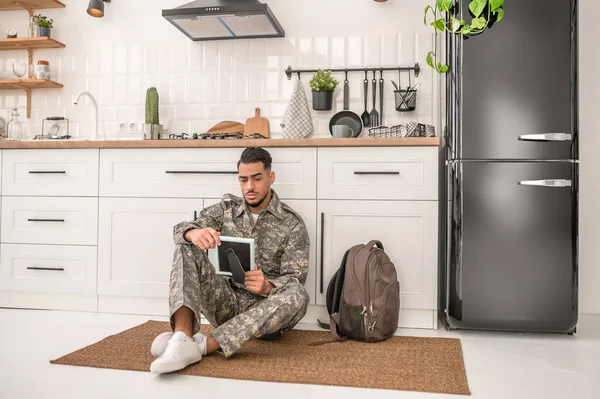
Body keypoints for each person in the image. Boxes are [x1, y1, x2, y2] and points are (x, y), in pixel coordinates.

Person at [150, 146, 311, 374]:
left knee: (299, 296)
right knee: (186, 246)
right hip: (226, 303)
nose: (250, 187)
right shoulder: (226, 210)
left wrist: (268, 287)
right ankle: (182, 336)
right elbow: (181, 229)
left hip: (265, 316)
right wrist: (193, 233)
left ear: (271, 177)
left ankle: (204, 346)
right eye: (243, 180)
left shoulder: (292, 224)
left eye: (256, 178)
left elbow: (296, 280)